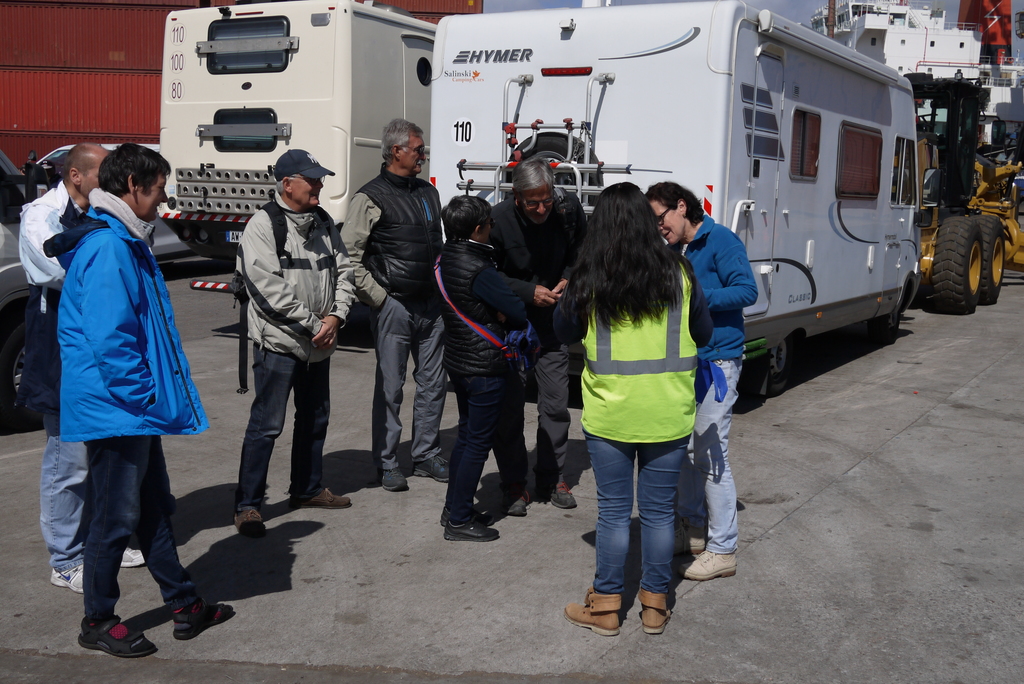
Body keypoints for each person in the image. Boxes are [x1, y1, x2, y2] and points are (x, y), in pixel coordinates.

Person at [44, 143, 232, 657]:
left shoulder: (125, 238)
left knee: (151, 509)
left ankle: (185, 604)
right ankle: (97, 620)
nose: (165, 195)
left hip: (129, 408)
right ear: (134, 187)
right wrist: (141, 397)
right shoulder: (109, 247)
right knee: (114, 519)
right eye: (159, 186)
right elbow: (112, 338)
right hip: (118, 409)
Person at [554, 182, 712, 636]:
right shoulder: (680, 272)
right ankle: (654, 607)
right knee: (660, 514)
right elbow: (701, 333)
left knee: (613, 512)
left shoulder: (589, 278)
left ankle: (605, 608)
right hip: (667, 413)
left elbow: (562, 330)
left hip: (610, 416)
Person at [16, 143, 146, 595]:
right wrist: (107, 266)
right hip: (57, 348)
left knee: (101, 453)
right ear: (76, 176)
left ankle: (99, 538)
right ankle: (65, 557)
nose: (112, 182)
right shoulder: (41, 215)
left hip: (96, 348)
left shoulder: (102, 215)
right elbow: (54, 270)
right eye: (103, 173)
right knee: (67, 459)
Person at [233, 149, 357, 537]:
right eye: (313, 180)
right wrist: (313, 325)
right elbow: (266, 291)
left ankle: (306, 489)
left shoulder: (322, 222)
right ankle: (248, 505)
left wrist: (336, 317)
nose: (320, 186)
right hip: (281, 345)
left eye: (320, 179)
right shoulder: (263, 226)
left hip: (319, 342)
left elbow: (345, 271)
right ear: (288, 185)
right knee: (267, 426)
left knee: (315, 419)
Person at [646, 182, 757, 582]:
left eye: (661, 218)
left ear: (681, 207)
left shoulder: (721, 239)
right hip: (687, 363)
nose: (659, 228)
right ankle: (693, 528)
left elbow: (747, 291)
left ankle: (723, 547)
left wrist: (694, 293)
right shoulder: (673, 250)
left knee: (710, 453)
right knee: (687, 447)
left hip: (719, 361)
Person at [343, 118, 447, 492]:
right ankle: (387, 462)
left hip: (432, 307)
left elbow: (437, 244)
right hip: (395, 307)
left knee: (434, 384)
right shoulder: (369, 197)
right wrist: (379, 298)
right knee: (390, 388)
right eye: (418, 148)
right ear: (395, 151)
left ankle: (425, 455)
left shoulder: (427, 193)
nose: (424, 154)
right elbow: (349, 256)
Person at [489, 157, 587, 515]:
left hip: (553, 324)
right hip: (511, 327)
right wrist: (529, 292)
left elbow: (582, 251)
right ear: (517, 197)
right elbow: (487, 274)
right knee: (510, 409)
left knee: (556, 404)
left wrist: (568, 276)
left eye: (546, 199)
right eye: (533, 203)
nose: (542, 208)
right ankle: (513, 482)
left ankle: (552, 475)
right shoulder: (496, 221)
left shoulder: (567, 209)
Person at [436, 196, 529, 542]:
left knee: (466, 437)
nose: (493, 227)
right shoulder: (479, 267)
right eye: (489, 223)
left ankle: (454, 506)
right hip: (485, 365)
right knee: (477, 443)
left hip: (461, 360)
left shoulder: (446, 257)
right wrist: (502, 313)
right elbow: (517, 310)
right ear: (477, 230)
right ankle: (459, 520)